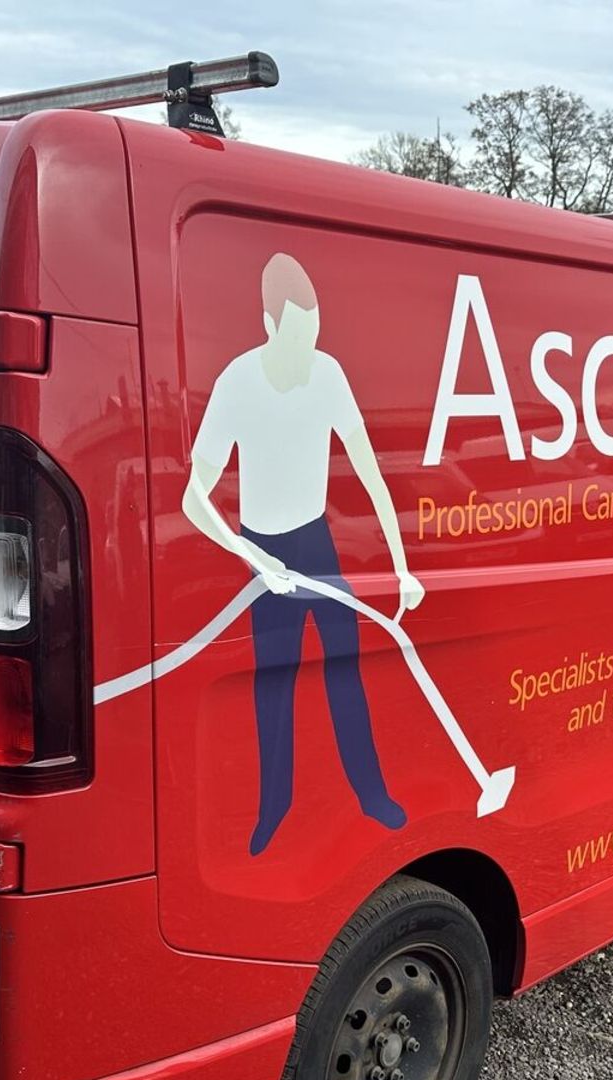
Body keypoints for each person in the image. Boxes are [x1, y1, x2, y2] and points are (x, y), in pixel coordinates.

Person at [182, 253, 425, 855]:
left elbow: (369, 470)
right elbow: (194, 496)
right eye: (296, 336)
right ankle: (274, 808)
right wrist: (251, 558)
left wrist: (401, 568)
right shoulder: (238, 382)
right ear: (270, 328)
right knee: (276, 682)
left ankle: (372, 796)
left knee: (347, 669)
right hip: (263, 552)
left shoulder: (327, 374)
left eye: (313, 334)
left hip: (317, 543)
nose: (306, 348)